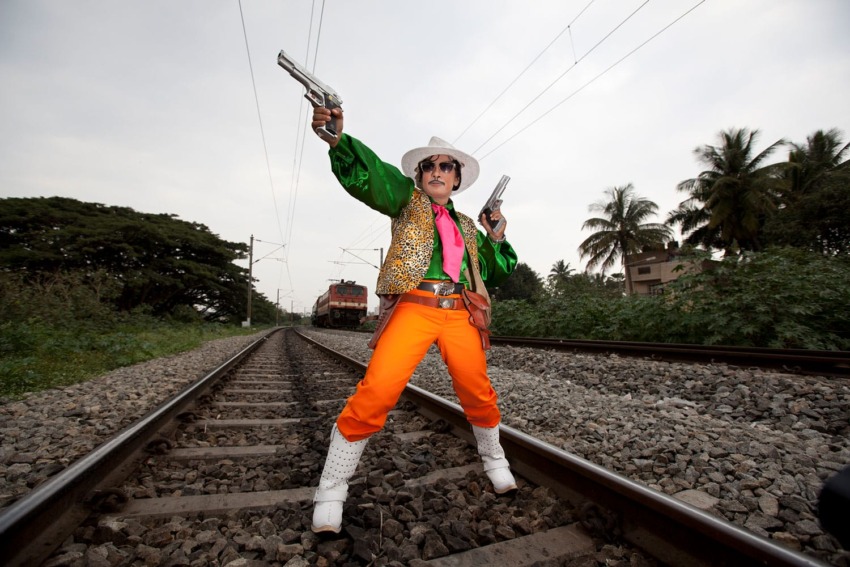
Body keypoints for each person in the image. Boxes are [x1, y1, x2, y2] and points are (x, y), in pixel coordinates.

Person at [309, 105, 519, 534]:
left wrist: (496, 235)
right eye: (429, 167)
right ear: (420, 176)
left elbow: (496, 271)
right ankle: (331, 488)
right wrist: (337, 141)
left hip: (460, 314)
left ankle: (495, 459)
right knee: (378, 390)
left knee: (477, 390)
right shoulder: (405, 200)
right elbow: (372, 177)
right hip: (414, 309)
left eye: (446, 167)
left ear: (457, 178)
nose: (437, 171)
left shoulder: (466, 226)